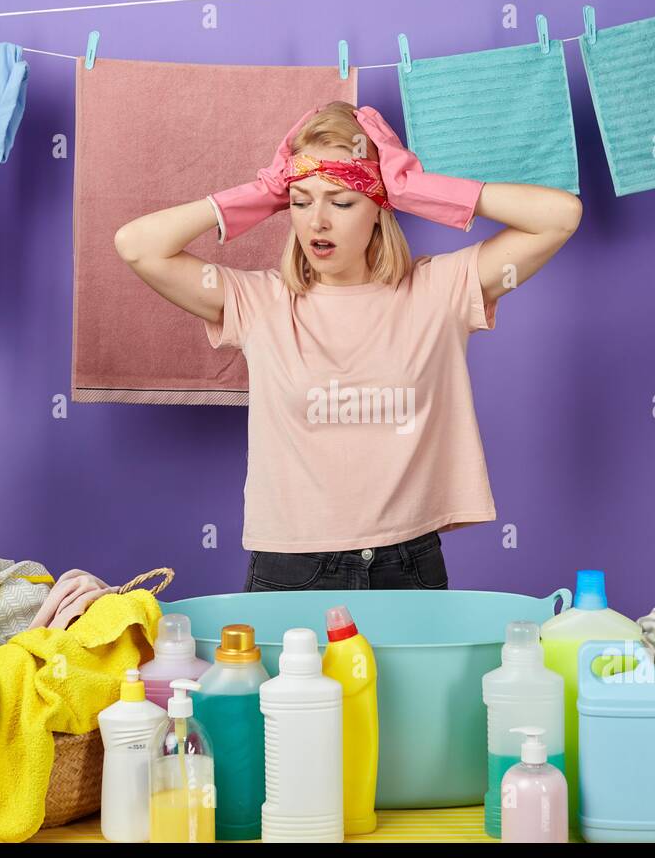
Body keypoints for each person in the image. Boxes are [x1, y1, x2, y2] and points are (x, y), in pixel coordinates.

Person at [114, 102, 581, 591]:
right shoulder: (258, 301)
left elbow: (559, 216)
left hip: (408, 563)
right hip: (292, 566)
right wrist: (260, 192)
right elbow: (137, 244)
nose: (317, 221)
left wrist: (416, 188)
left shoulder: (439, 290)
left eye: (340, 202)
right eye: (300, 202)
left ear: (380, 210)